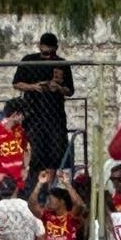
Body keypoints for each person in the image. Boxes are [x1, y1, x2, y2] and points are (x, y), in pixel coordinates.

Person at [12, 32, 74, 173]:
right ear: (39, 46)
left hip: (55, 116)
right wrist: (34, 87)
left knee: (56, 154)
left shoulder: (62, 63)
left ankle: (50, 188)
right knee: (35, 153)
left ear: (56, 48)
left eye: (50, 53)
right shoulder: (29, 60)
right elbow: (16, 84)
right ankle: (36, 185)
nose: (47, 56)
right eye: (44, 53)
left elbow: (70, 91)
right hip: (34, 115)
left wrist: (58, 88)